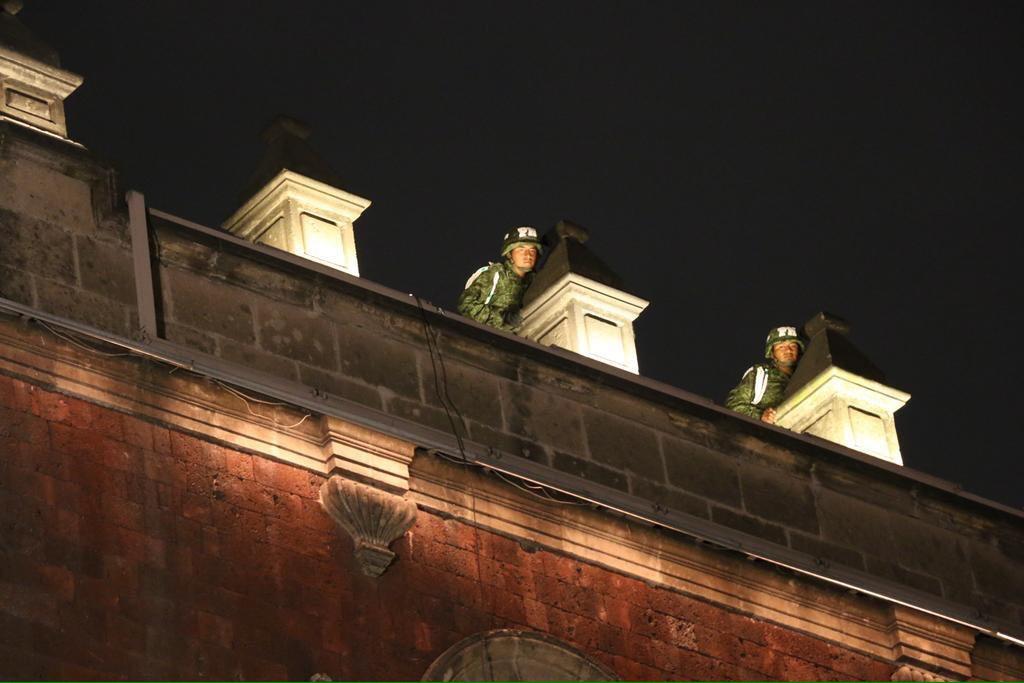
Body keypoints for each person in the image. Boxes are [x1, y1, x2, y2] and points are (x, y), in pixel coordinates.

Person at [457, 226, 542, 331]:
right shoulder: (495, 275)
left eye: (532, 251)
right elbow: (465, 305)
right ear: (509, 254)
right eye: (521, 250)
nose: (528, 255)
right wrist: (502, 319)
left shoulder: (537, 281)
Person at [725, 326, 804, 424]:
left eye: (793, 346)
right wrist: (760, 416)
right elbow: (733, 405)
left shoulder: (806, 376)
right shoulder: (760, 374)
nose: (788, 351)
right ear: (772, 352)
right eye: (781, 347)